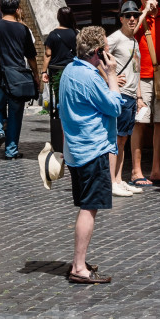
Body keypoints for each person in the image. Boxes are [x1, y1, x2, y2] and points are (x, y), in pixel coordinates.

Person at [57, 26, 123, 286]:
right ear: (98, 52)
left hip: (75, 149)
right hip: (91, 149)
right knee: (89, 208)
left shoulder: (69, 71)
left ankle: (78, 262)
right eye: (106, 50)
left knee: (86, 205)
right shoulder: (90, 77)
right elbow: (115, 106)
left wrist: (106, 82)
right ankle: (79, 266)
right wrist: (112, 76)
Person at [0, 0, 40, 160]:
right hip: (18, 79)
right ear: (17, 9)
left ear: (0, 8)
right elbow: (31, 56)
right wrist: (36, 75)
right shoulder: (23, 30)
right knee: (15, 116)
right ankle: (11, 151)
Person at [131, 0, 160, 185]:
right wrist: (144, 13)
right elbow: (130, 34)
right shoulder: (135, 15)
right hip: (142, 76)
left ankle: (157, 169)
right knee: (140, 122)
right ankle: (136, 171)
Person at [105, 1, 142, 196]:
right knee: (117, 139)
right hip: (120, 96)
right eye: (128, 16)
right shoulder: (116, 38)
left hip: (130, 97)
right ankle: (112, 181)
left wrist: (139, 96)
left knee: (123, 140)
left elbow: (135, 70)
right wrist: (109, 76)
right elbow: (96, 56)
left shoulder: (133, 40)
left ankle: (119, 179)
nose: (132, 19)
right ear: (121, 18)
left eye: (135, 15)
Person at [43, 6, 78, 155]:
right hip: (73, 72)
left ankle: (60, 138)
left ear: (58, 18)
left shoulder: (53, 35)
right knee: (73, 102)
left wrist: (44, 71)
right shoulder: (76, 34)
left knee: (59, 103)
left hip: (57, 73)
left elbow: (47, 54)